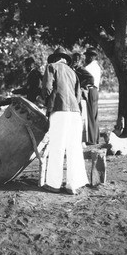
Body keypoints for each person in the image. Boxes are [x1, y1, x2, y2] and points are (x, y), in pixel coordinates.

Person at [41, 46, 89, 195]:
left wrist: (44, 101)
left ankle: (54, 184)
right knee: (74, 148)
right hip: (75, 112)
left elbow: (47, 89)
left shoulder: (51, 67)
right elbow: (78, 95)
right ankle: (73, 184)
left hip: (59, 110)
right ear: (65, 59)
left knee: (57, 146)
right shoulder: (73, 72)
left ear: (55, 58)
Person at [69, 52, 95, 145]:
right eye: (74, 59)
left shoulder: (80, 69)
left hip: (81, 96)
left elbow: (91, 79)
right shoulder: (71, 69)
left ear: (79, 60)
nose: (75, 61)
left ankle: (83, 141)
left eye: (77, 60)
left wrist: (81, 86)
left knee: (82, 117)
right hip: (74, 96)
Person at [83, 47, 101, 145]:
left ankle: (91, 139)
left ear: (92, 57)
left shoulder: (89, 67)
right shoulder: (97, 66)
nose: (86, 58)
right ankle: (96, 138)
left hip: (90, 90)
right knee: (94, 114)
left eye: (88, 56)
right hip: (95, 91)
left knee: (90, 114)